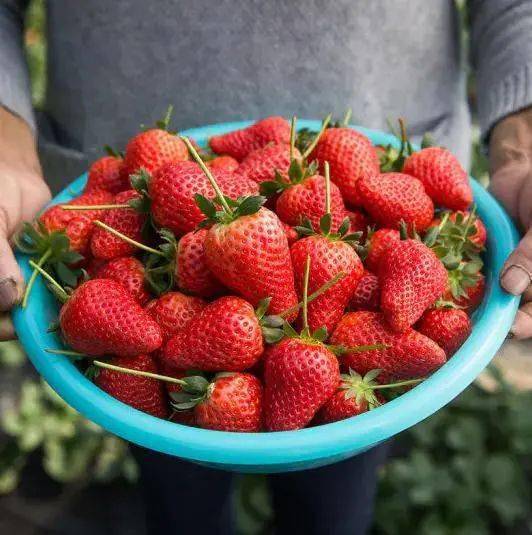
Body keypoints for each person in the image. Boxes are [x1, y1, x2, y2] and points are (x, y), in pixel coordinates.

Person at [0, 1, 531, 533]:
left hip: (389, 135)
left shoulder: (353, 250)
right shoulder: (175, 274)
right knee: (179, 490)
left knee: (333, 502)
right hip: (129, 201)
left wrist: (523, 149)